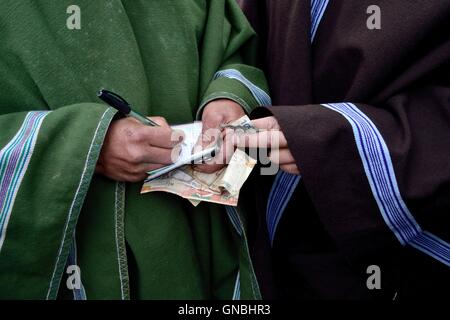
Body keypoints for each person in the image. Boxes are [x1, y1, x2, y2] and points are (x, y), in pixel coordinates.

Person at [0, 0, 269, 299]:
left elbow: (233, 47)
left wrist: (227, 97)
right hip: (79, 251)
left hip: (194, 235)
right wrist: (84, 142)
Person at [237, 0, 450, 299]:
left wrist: (347, 142)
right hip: (269, 245)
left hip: (399, 260)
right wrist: (231, 93)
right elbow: (242, 36)